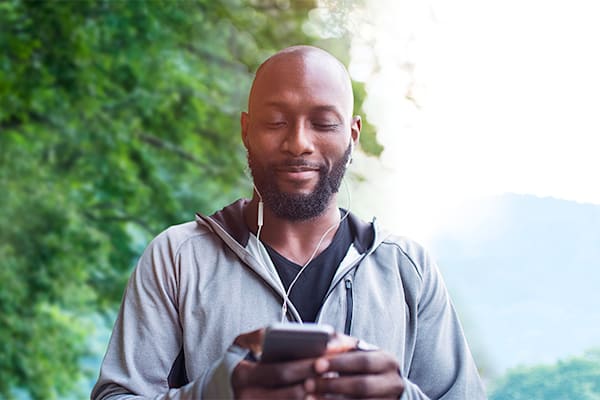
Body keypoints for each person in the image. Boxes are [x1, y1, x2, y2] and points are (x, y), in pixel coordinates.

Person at [91, 45, 486, 399]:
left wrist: (399, 396)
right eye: (276, 121)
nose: (298, 142)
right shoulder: (177, 258)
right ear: (246, 131)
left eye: (324, 123)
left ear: (352, 135)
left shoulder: (406, 268)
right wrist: (219, 391)